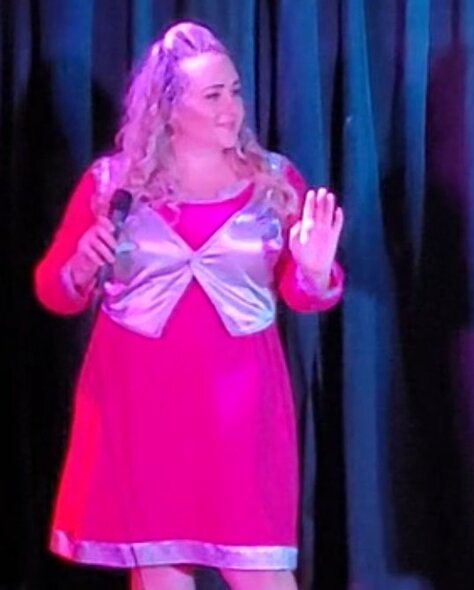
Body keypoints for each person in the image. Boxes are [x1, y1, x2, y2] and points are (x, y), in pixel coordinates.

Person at [33, 21, 344, 590]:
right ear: (169, 108)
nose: (233, 107)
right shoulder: (112, 185)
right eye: (213, 95)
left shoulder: (274, 181)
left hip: (241, 410)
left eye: (235, 90)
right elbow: (54, 290)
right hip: (140, 404)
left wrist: (316, 270)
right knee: (161, 570)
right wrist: (79, 265)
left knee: (264, 573)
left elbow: (307, 294)